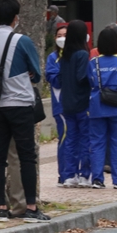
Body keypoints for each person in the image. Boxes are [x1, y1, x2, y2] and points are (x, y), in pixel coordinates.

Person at [0, 0, 50, 223]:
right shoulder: (22, 41)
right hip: (20, 104)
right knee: (27, 156)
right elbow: (36, 73)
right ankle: (30, 207)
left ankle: (0, 207)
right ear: (15, 17)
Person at [88, 27, 117, 189]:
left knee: (97, 143)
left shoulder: (93, 62)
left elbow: (89, 81)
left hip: (97, 105)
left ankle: (97, 179)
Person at [55, 20, 92, 188]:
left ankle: (69, 174)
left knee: (70, 139)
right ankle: (85, 174)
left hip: (67, 102)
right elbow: (82, 77)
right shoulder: (82, 55)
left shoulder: (65, 56)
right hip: (82, 102)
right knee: (85, 139)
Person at [44, 23, 70, 186]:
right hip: (62, 105)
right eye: (59, 35)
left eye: (65, 35)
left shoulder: (80, 55)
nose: (62, 39)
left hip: (80, 105)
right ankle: (64, 174)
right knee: (65, 138)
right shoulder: (53, 58)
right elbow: (54, 79)